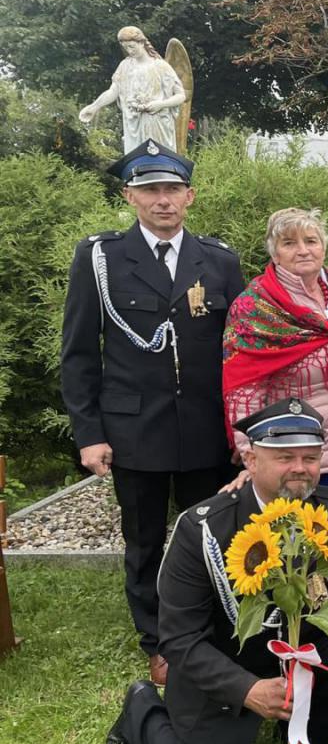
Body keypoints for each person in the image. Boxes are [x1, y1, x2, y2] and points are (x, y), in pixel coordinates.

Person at [103, 398, 328, 744]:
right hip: (227, 663)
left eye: (311, 457)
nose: (301, 468)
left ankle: (297, 728)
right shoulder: (203, 528)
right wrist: (248, 691)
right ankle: (142, 708)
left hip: (306, 658)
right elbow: (180, 638)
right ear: (249, 458)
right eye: (285, 457)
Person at [61, 140, 243, 686]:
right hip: (134, 426)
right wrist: (89, 434)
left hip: (205, 429)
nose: (162, 200)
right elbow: (78, 354)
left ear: (190, 196)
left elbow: (240, 349)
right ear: (130, 195)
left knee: (211, 534)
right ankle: (160, 641)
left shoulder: (218, 259)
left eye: (172, 190)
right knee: (144, 542)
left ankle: (209, 630)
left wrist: (243, 430)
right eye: (150, 190)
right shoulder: (100, 258)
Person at [223, 208, 328, 494]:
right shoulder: (254, 307)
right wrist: (250, 455)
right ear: (275, 253)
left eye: (311, 240)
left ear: (323, 246)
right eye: (289, 243)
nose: (303, 250)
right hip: (294, 453)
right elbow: (243, 387)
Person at [79, 27, 187, 151]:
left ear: (141, 43)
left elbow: (181, 96)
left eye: (132, 46)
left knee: (157, 160)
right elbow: (113, 91)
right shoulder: (125, 66)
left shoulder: (160, 66)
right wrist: (94, 107)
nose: (129, 51)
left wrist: (161, 104)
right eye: (126, 48)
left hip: (157, 123)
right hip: (134, 124)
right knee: (136, 164)